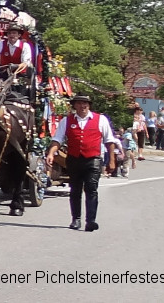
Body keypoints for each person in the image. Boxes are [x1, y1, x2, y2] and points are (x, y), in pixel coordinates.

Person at [46, 95, 118, 232]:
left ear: (89, 105)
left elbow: (109, 141)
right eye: (79, 103)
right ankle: (76, 219)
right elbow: (57, 139)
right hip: (74, 159)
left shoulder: (100, 119)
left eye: (85, 103)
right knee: (75, 190)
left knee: (91, 189)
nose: (82, 106)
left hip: (93, 159)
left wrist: (112, 161)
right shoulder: (67, 121)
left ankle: (91, 220)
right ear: (75, 106)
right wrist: (51, 153)